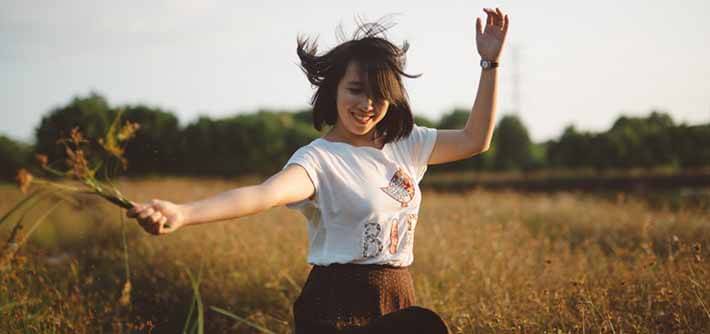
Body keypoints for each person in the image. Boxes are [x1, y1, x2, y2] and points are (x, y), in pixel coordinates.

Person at [128, 7, 509, 333]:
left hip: (397, 294)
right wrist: (184, 213)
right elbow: (263, 194)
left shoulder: (406, 143)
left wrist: (490, 64)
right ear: (334, 90)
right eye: (356, 89)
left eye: (378, 94)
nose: (367, 104)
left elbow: (476, 139)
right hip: (336, 305)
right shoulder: (319, 160)